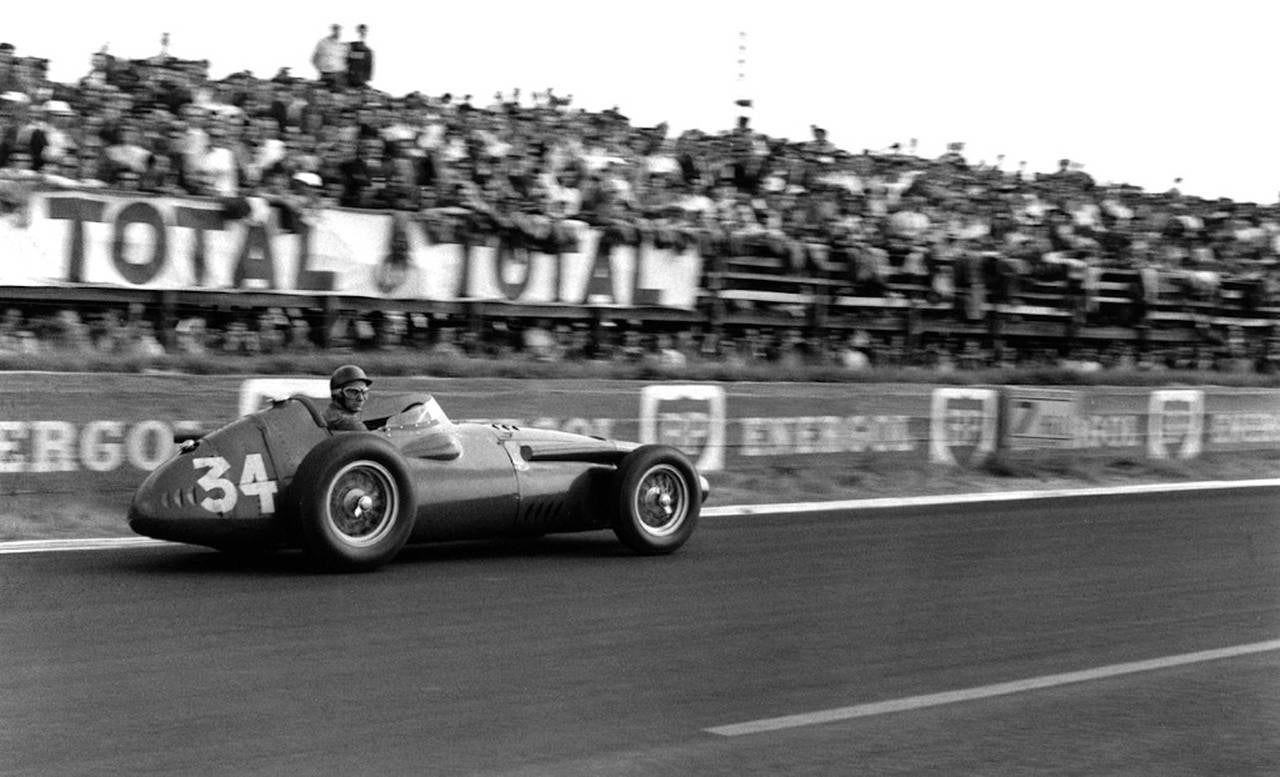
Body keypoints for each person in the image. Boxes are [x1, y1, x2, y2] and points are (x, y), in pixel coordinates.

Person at [324, 364, 371, 431]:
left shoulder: (329, 414)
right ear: (338, 394)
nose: (360, 398)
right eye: (353, 392)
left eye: (364, 392)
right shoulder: (348, 422)